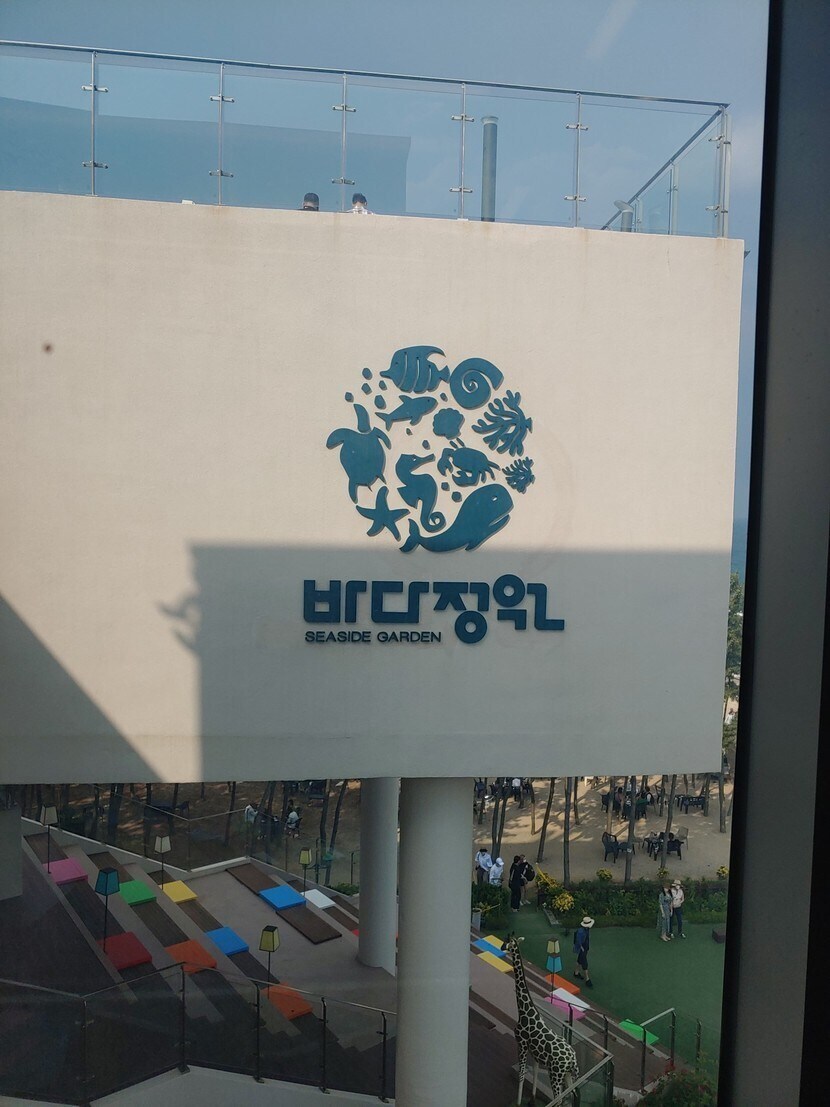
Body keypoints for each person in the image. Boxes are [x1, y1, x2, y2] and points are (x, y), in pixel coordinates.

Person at [573, 916, 594, 987]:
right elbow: (578, 941)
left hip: (585, 947)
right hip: (582, 948)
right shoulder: (581, 931)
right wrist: (582, 948)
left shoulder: (586, 929)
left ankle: (576, 972)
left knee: (579, 960)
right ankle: (587, 979)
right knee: (584, 963)